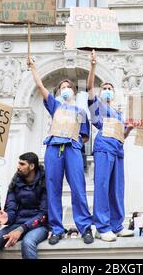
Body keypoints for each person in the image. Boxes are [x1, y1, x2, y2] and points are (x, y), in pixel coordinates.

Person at [28, 56, 94, 245]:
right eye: (62, 87)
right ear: (59, 92)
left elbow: (85, 135)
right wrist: (34, 68)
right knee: (53, 189)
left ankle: (84, 227)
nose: (65, 89)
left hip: (72, 148)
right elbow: (41, 87)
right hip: (53, 148)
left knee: (78, 188)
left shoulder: (81, 111)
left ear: (73, 92)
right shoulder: (55, 105)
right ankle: (56, 228)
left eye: (68, 87)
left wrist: (75, 144)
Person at [87, 50, 134, 242]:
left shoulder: (118, 112)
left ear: (114, 93)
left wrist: (129, 129)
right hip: (103, 147)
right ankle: (102, 226)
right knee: (103, 186)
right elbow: (89, 87)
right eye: (104, 87)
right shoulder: (96, 104)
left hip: (118, 149)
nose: (107, 89)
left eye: (110, 88)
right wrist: (93, 66)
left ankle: (117, 225)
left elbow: (122, 135)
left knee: (117, 188)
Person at [0, 152, 48, 259]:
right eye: (18, 163)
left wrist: (21, 229)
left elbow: (44, 214)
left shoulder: (44, 183)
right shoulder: (15, 183)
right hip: (18, 223)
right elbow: (11, 208)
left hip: (40, 226)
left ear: (32, 166)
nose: (18, 167)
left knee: (28, 243)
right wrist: (7, 217)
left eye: (22, 164)